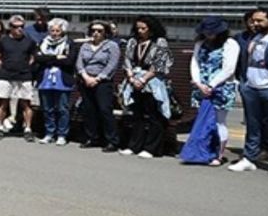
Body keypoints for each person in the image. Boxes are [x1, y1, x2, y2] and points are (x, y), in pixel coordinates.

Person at [120, 15, 173, 158]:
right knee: (137, 115)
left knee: (154, 115)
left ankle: (151, 148)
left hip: (152, 82)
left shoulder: (160, 42)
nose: (140, 31)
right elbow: (127, 61)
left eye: (143, 28)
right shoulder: (133, 42)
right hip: (134, 80)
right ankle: (134, 145)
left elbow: (159, 64)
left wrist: (143, 79)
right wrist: (131, 77)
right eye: (138, 28)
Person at [190, 16, 239, 165]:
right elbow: (195, 62)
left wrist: (211, 85)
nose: (208, 35)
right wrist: (198, 83)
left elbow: (229, 68)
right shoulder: (200, 43)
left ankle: (218, 154)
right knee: (204, 119)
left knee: (219, 121)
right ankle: (203, 150)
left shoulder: (230, 44)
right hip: (202, 85)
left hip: (222, 86)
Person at [76, 20, 122, 152]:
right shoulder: (85, 46)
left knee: (105, 110)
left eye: (99, 31)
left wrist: (98, 78)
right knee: (89, 110)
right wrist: (85, 76)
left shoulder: (112, 46)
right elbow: (79, 63)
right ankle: (92, 137)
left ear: (105, 32)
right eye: (93, 30)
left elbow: (112, 65)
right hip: (86, 80)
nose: (96, 33)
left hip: (102, 82)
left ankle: (112, 140)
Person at [237, 7, 268, 173]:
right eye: (254, 20)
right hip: (251, 87)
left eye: (260, 21)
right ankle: (249, 158)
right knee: (253, 126)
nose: (255, 23)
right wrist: (243, 84)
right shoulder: (255, 38)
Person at [0, 15, 38, 141]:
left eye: (21, 27)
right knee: (3, 103)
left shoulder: (29, 41)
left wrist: (25, 67)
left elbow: (33, 57)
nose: (19, 29)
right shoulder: (3, 41)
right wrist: (4, 66)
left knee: (26, 104)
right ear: (10, 27)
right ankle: (0, 127)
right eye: (15, 27)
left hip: (24, 76)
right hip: (6, 75)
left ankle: (28, 129)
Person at [35, 18, 77, 145]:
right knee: (47, 108)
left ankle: (62, 134)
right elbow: (38, 58)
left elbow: (69, 61)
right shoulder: (42, 42)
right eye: (52, 30)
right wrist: (56, 57)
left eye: (57, 31)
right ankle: (49, 132)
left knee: (62, 108)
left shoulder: (69, 43)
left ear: (62, 31)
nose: (54, 33)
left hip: (62, 81)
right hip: (45, 80)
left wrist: (48, 59)